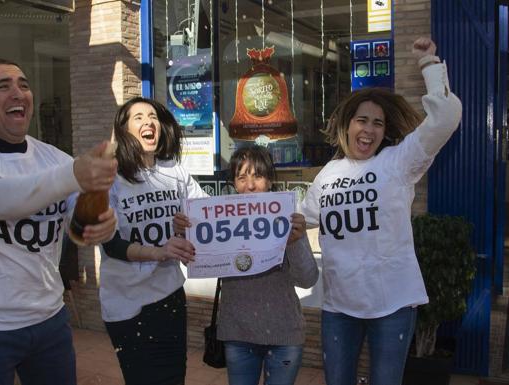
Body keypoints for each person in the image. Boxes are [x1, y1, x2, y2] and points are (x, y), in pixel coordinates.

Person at [0, 58, 118, 385]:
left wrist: (103, 222)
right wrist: (74, 174)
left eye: (23, 84)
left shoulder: (54, 158)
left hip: (49, 320)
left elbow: (81, 220)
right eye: (3, 86)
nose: (18, 93)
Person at [299, 37, 462, 385]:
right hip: (339, 307)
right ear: (347, 125)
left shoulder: (398, 162)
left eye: (378, 123)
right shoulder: (328, 174)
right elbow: (297, 219)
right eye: (362, 120)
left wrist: (429, 64)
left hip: (393, 306)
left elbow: (446, 118)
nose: (369, 129)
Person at [175, 145, 319, 385]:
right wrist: (184, 233)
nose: (250, 185)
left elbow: (308, 279)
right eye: (242, 177)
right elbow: (193, 258)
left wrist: (295, 241)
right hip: (237, 334)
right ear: (233, 183)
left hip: (284, 334)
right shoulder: (218, 218)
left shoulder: (289, 219)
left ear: (270, 180)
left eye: (258, 176)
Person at [100, 97, 206, 385]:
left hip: (170, 296)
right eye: (138, 117)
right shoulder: (111, 177)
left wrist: (187, 228)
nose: (149, 122)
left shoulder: (175, 171)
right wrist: (159, 252)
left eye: (153, 116)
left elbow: (206, 216)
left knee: (174, 379)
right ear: (122, 130)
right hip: (128, 304)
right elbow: (111, 245)